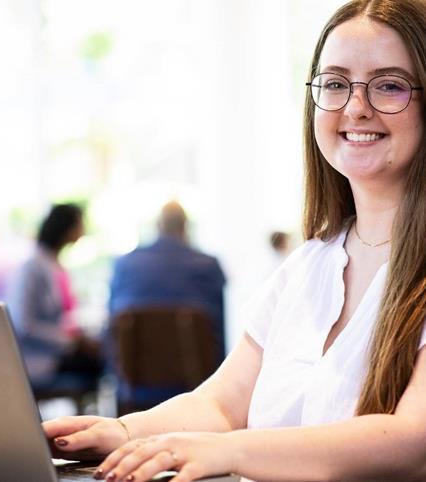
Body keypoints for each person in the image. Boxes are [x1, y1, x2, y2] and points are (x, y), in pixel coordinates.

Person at [43, 1, 426, 480]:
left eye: (389, 85)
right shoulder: (308, 266)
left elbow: (414, 440)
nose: (354, 107)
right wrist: (125, 433)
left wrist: (231, 452)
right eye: (335, 83)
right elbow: (223, 406)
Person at [107, 200, 226, 360]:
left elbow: (111, 329)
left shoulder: (124, 264)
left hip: (134, 378)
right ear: (185, 227)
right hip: (198, 376)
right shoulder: (208, 266)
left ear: (158, 226)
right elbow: (218, 330)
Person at [7, 203, 103, 392]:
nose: (82, 232)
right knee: (102, 360)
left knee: (103, 354)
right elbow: (24, 325)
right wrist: (70, 342)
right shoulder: (32, 268)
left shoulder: (53, 264)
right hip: (38, 359)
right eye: (79, 225)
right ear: (67, 228)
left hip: (55, 351)